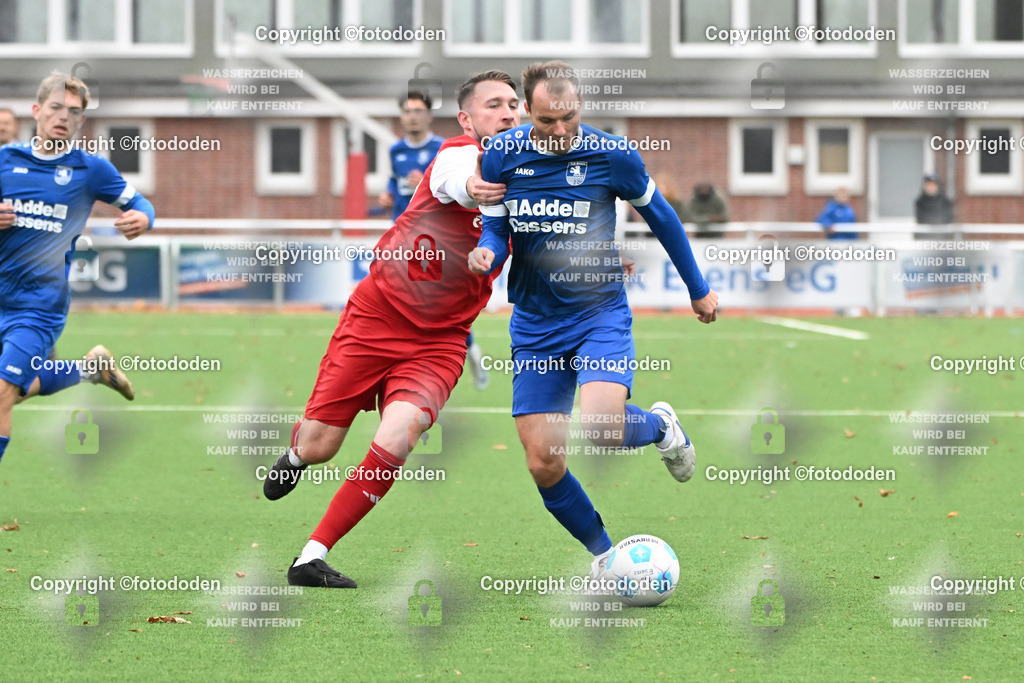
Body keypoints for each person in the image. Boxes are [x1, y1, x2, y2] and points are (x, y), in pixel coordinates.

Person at [263, 71, 520, 588]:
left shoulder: (538, 179)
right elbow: (461, 180)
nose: (509, 113)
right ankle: (296, 453)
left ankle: (309, 556)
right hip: (377, 316)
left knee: (401, 432)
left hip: (441, 339)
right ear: (468, 119)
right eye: (494, 105)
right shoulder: (456, 154)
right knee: (320, 446)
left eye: (515, 104)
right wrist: (478, 187)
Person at [468, 61, 718, 579]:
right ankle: (605, 555)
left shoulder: (612, 155)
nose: (560, 131)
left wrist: (698, 289)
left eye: (570, 118)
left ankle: (661, 428)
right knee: (544, 462)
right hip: (535, 325)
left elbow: (663, 218)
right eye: (546, 122)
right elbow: (495, 231)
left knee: (603, 428)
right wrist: (486, 254)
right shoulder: (501, 156)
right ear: (527, 113)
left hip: (598, 313)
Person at [0, 72, 151, 464]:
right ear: (36, 111)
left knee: (1, 392)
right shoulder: (6, 160)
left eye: (74, 112)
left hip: (38, 306)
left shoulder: (91, 170)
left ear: (81, 121)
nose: (63, 117)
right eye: (55, 108)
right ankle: (90, 370)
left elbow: (141, 203)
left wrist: (143, 219)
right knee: (13, 390)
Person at [379, 92, 489, 391]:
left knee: (435, 301)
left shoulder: (443, 147)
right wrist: (389, 193)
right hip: (401, 235)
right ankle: (405, 359)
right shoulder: (396, 150)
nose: (412, 116)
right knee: (398, 298)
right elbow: (394, 179)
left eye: (418, 111)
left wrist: (426, 181)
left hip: (435, 239)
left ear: (428, 116)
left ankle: (463, 349)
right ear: (401, 116)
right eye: (407, 111)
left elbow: (458, 185)